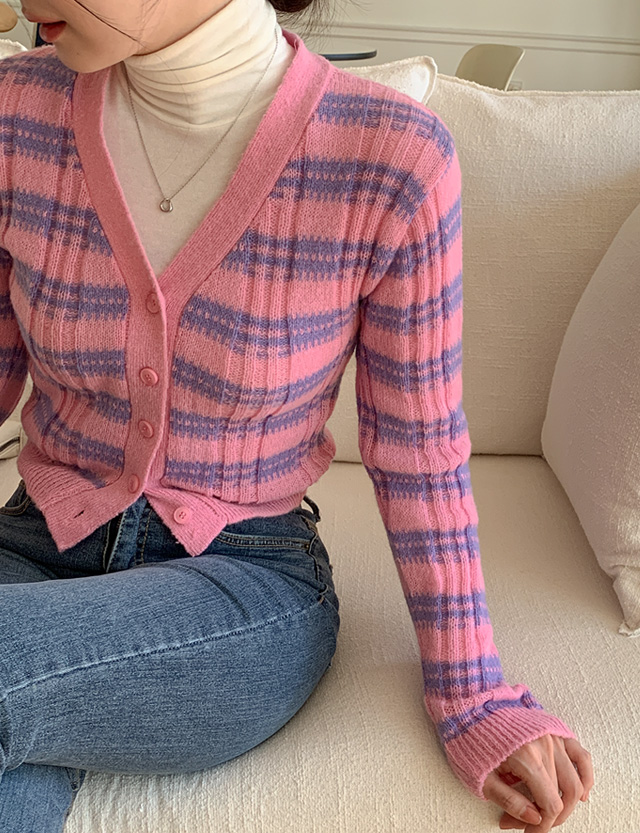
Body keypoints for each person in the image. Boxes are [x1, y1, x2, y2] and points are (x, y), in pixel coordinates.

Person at [0, 0, 593, 830]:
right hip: (29, 548)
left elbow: (418, 450)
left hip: (240, 582)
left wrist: (474, 692)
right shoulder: (16, 113)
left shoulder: (391, 159)